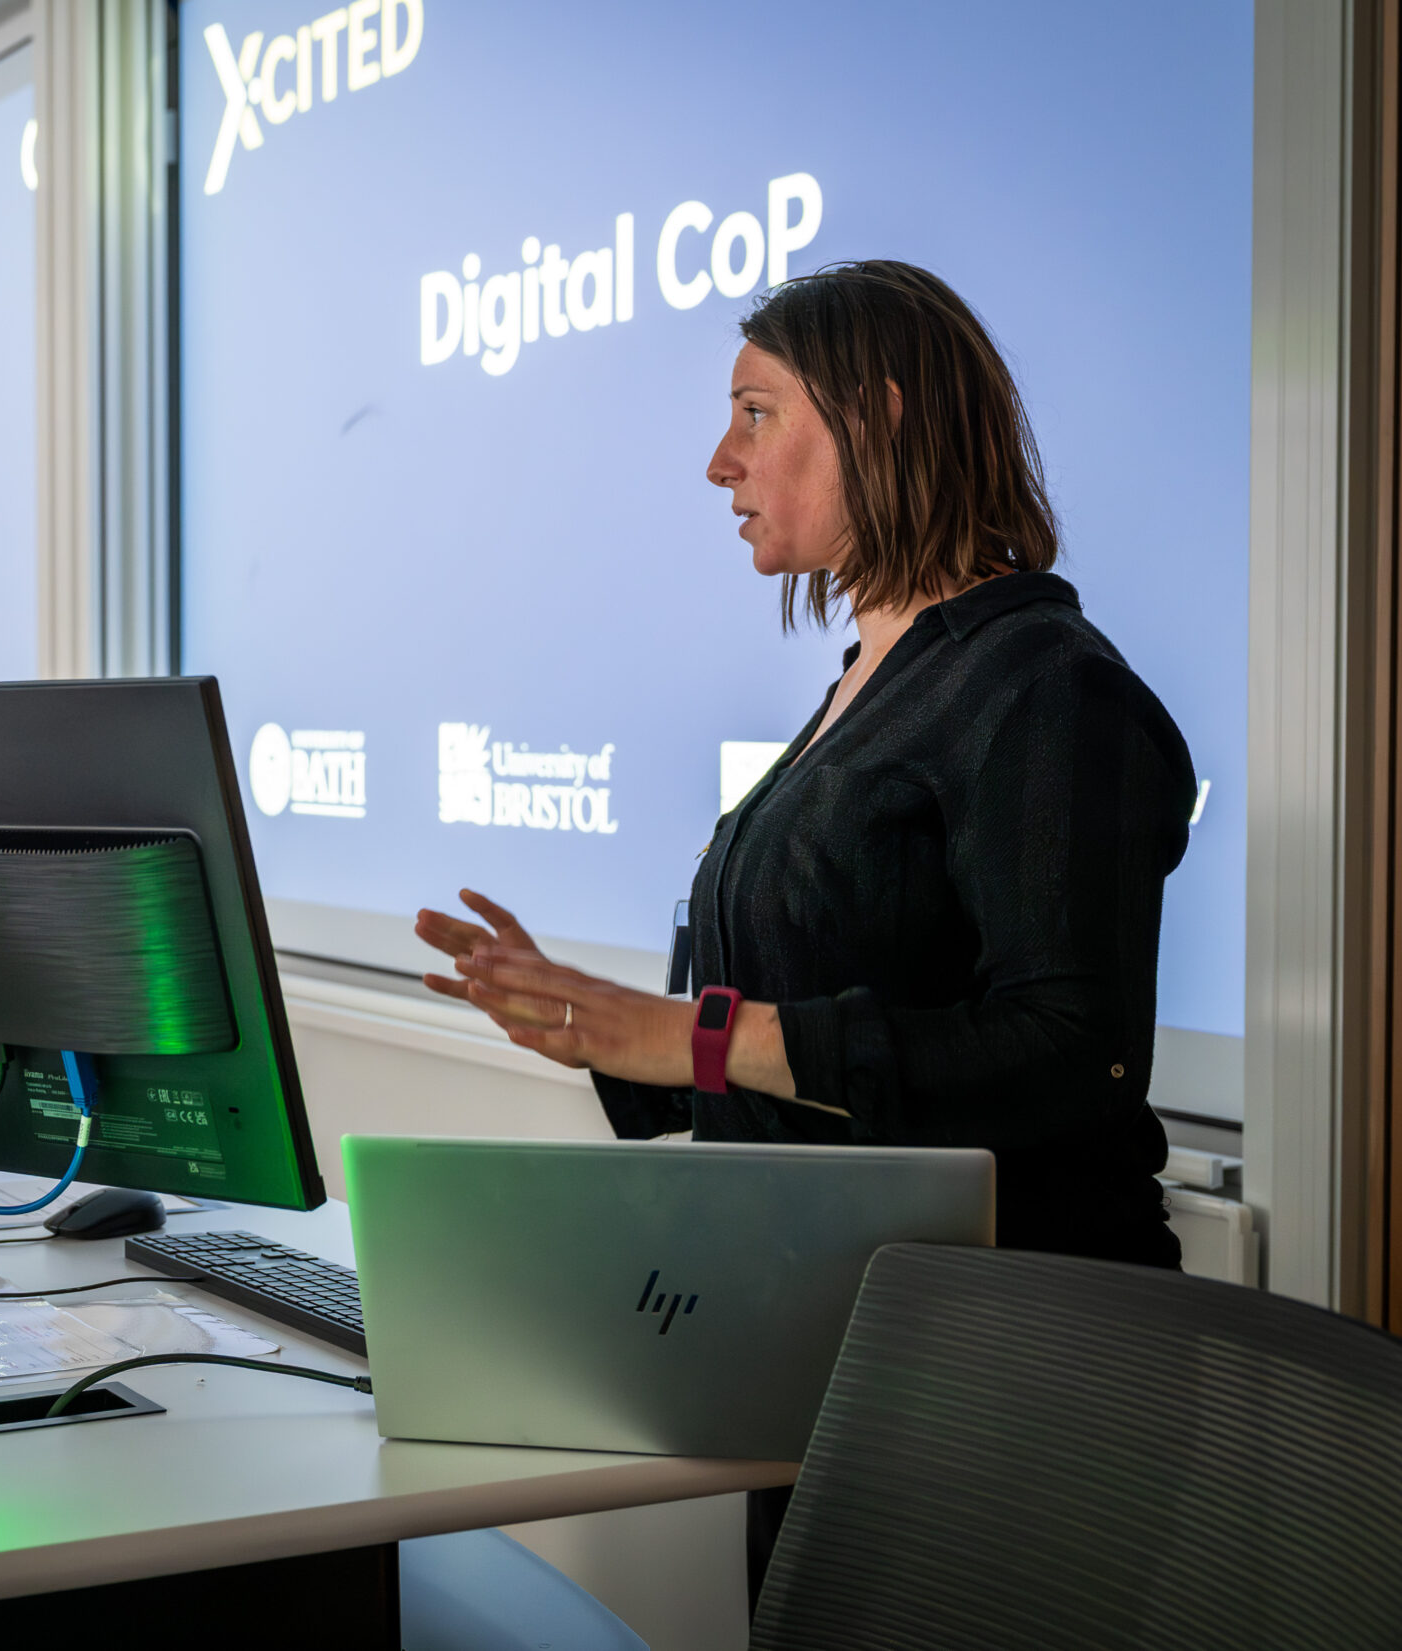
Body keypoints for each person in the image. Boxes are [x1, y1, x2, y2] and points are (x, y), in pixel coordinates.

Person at [412, 260, 1199, 1601]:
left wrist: (700, 1040)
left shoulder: (1047, 690)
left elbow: (1074, 1052)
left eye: (756, 412)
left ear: (878, 419)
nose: (720, 460)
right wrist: (611, 1036)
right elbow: (824, 1016)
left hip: (1012, 1385)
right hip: (843, 1348)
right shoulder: (871, 682)